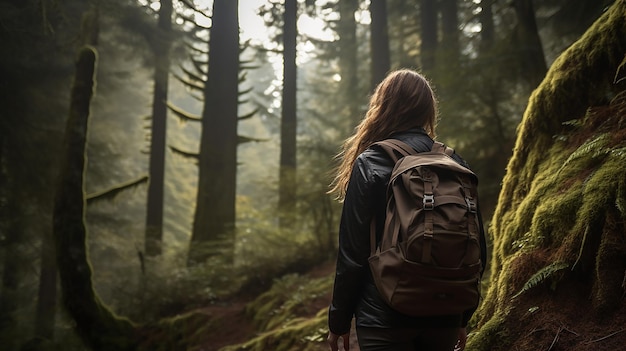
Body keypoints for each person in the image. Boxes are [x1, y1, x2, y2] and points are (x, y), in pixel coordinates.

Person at [326, 69, 487, 351]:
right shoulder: (453, 163)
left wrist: (339, 322)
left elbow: (353, 254)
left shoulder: (372, 161)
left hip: (384, 313)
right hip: (445, 311)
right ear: (427, 109)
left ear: (383, 106)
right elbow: (476, 246)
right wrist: (461, 316)